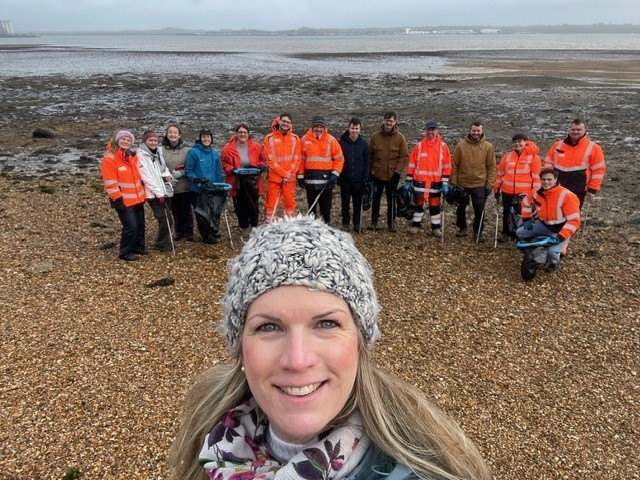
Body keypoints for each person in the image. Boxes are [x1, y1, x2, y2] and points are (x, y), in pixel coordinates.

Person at [169, 216, 493, 480]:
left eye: (326, 324)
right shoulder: (207, 447)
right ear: (239, 348)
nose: (298, 360)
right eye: (268, 327)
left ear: (360, 343)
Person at [516, 168, 581, 273]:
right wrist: (526, 218)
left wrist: (561, 237)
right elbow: (526, 203)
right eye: (543, 179)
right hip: (544, 224)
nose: (546, 182)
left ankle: (554, 263)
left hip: (560, 229)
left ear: (555, 179)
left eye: (549, 179)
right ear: (540, 180)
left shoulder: (567, 196)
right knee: (520, 233)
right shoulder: (536, 192)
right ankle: (534, 250)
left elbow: (574, 221)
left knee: (552, 252)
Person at [100, 130, 147, 261]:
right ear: (117, 140)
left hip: (138, 197)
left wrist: (143, 194)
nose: (126, 142)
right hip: (123, 200)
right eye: (123, 139)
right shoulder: (110, 158)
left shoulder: (132, 156)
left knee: (140, 224)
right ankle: (125, 252)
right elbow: (110, 182)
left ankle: (139, 246)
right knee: (131, 226)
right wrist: (117, 198)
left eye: (128, 140)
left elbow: (140, 175)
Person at [543, 118, 606, 208]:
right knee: (554, 211)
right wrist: (549, 180)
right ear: (569, 130)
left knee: (572, 214)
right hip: (557, 186)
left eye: (579, 130)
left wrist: (592, 190)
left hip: (578, 188)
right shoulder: (558, 145)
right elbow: (548, 162)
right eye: (573, 129)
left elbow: (598, 171)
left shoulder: (594, 148)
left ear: (585, 131)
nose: (575, 132)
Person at [450, 121, 496, 242]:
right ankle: (462, 227)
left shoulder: (488, 146)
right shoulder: (460, 146)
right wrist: (454, 182)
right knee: (460, 207)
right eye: (474, 130)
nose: (476, 133)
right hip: (462, 182)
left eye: (478, 130)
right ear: (470, 131)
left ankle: (478, 231)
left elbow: (491, 167)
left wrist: (489, 185)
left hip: (479, 183)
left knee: (479, 209)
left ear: (482, 131)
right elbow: (455, 164)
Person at [406, 120, 451, 238]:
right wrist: (408, 180)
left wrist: (445, 182)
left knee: (435, 206)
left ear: (437, 131)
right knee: (418, 204)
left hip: (435, 184)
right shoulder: (419, 146)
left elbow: (447, 165)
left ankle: (436, 228)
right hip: (419, 183)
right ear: (425, 130)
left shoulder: (443, 147)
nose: (430, 132)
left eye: (433, 129)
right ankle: (416, 225)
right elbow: (412, 164)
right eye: (429, 129)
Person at [221, 123, 266, 240]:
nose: (242, 134)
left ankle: (254, 226)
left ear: (248, 134)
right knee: (240, 205)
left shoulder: (256, 146)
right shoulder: (228, 148)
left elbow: (262, 159)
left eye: (245, 132)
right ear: (236, 134)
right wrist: (231, 169)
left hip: (253, 180)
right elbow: (223, 163)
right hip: (237, 180)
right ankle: (244, 227)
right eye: (240, 132)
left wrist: (261, 166)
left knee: (253, 204)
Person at [494, 133, 542, 242]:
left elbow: (536, 178)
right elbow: (500, 173)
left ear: (526, 142)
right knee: (506, 213)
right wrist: (496, 188)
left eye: (520, 141)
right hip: (507, 191)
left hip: (524, 193)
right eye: (515, 142)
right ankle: (505, 233)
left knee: (523, 214)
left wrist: (535, 193)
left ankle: (521, 234)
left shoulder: (534, 157)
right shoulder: (507, 156)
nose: (517, 144)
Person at [297, 116, 344, 223]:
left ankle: (325, 228)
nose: (318, 129)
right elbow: (300, 160)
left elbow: (339, 159)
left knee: (325, 209)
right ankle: (311, 229)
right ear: (312, 127)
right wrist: (300, 176)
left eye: (321, 127)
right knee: (311, 209)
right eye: (316, 126)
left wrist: (334, 175)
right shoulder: (304, 139)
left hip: (326, 182)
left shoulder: (331, 140)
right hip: (310, 181)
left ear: (324, 128)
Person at [368, 111, 409, 232]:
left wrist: (397, 173)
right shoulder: (375, 136)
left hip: (392, 175)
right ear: (383, 121)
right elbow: (370, 155)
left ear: (395, 122)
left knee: (391, 200)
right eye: (387, 120)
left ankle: (391, 224)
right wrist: (370, 171)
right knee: (376, 198)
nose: (388, 123)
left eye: (391, 121)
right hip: (377, 174)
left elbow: (404, 156)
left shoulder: (400, 138)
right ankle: (374, 222)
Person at [137, 130, 175, 252]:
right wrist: (158, 193)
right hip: (153, 194)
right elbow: (146, 176)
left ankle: (164, 241)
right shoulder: (140, 155)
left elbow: (163, 167)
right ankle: (160, 242)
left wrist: (168, 175)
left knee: (168, 218)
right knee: (165, 220)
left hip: (165, 190)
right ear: (144, 141)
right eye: (150, 140)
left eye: (155, 140)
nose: (153, 143)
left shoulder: (158, 152)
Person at [185, 128, 226, 244]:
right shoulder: (194, 152)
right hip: (198, 189)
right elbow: (188, 171)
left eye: (208, 137)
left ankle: (212, 230)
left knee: (213, 210)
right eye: (203, 137)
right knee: (201, 213)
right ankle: (205, 235)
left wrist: (220, 186)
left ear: (211, 139)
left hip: (212, 187)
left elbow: (218, 171)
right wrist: (196, 179)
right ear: (200, 138)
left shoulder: (214, 153)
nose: (206, 139)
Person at [263, 112, 302, 222]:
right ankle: (269, 226)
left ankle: (289, 226)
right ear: (279, 121)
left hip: (289, 179)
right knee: (271, 205)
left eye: (288, 122)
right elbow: (270, 160)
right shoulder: (269, 138)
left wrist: (289, 174)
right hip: (275, 179)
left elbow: (297, 158)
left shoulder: (295, 139)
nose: (285, 124)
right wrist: (284, 174)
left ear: (290, 124)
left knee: (290, 205)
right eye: (283, 121)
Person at [162, 123, 194, 241]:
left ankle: (189, 232)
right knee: (174, 210)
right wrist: (166, 176)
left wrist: (180, 174)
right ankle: (178, 231)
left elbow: (191, 166)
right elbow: (159, 166)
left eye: (175, 132)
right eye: (170, 132)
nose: (173, 134)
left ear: (179, 135)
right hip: (170, 186)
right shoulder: (161, 150)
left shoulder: (187, 149)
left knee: (187, 210)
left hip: (185, 185)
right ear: (166, 134)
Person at [338, 116, 369, 233]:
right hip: (345, 179)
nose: (354, 131)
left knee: (357, 203)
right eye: (352, 128)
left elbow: (367, 162)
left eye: (357, 128)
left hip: (358, 180)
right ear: (348, 128)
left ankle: (357, 224)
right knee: (345, 203)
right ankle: (345, 224)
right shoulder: (341, 143)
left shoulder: (363, 144)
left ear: (360, 129)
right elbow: (338, 160)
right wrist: (339, 176)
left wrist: (365, 179)